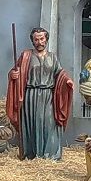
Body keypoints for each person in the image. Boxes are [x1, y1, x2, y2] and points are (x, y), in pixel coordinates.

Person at [7, 27, 74, 160]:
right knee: (32, 123)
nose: (39, 42)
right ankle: (32, 154)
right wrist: (13, 75)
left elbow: (60, 73)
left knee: (49, 123)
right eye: (36, 39)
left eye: (42, 39)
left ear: (46, 39)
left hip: (48, 96)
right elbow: (15, 71)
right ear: (32, 41)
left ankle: (50, 154)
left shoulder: (52, 57)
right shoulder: (26, 56)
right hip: (30, 96)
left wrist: (67, 80)